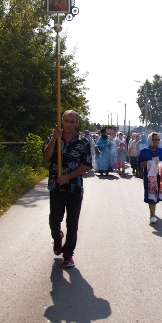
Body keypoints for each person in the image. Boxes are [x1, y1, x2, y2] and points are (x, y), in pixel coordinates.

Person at [42, 110, 93, 268]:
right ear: (62, 121)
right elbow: (46, 157)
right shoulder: (54, 138)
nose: (68, 124)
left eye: (72, 122)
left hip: (74, 189)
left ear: (77, 123)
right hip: (56, 187)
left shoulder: (83, 142)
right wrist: (54, 139)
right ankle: (57, 237)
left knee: (72, 223)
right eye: (66, 121)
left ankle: (68, 254)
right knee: (54, 219)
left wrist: (69, 176)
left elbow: (87, 165)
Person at [137, 132, 162, 224]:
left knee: (157, 195)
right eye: (155, 139)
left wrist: (161, 163)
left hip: (160, 176)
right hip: (149, 178)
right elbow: (139, 164)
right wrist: (148, 163)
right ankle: (152, 215)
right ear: (150, 140)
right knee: (151, 194)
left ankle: (153, 211)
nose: (157, 141)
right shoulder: (144, 151)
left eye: (158, 139)